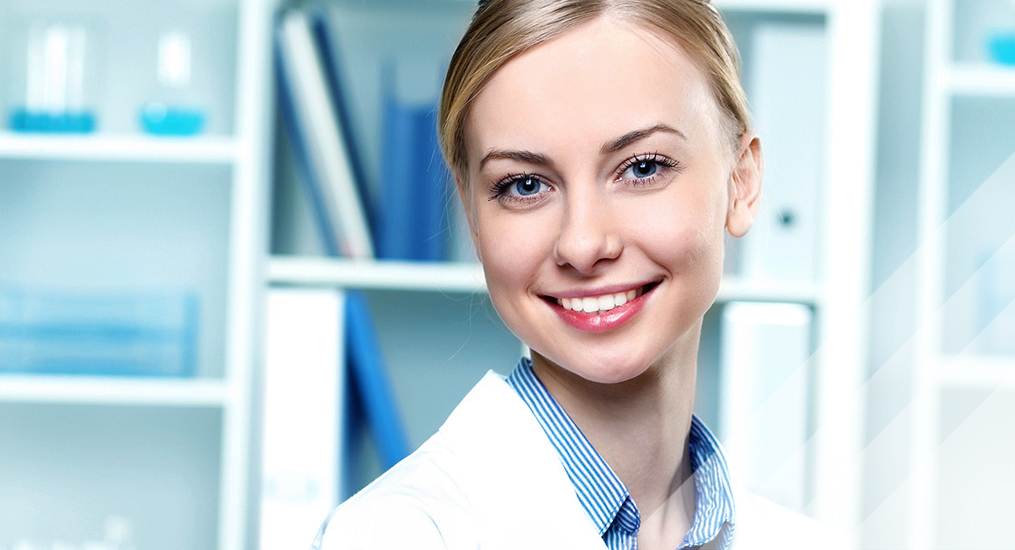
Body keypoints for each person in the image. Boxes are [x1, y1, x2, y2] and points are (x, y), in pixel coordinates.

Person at [312, 0, 835, 548]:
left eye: (642, 168)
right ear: (471, 215)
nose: (582, 244)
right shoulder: (396, 534)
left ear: (741, 182)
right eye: (525, 185)